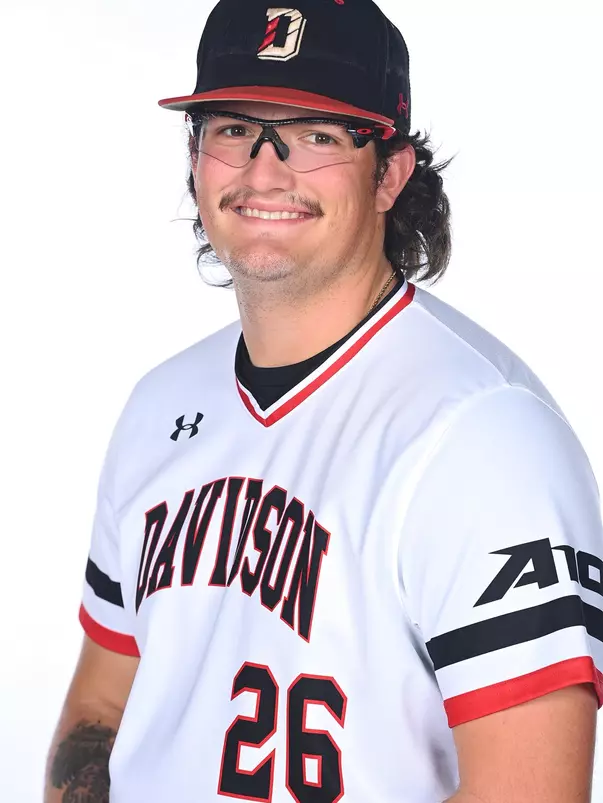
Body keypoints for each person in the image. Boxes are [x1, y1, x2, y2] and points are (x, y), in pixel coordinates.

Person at [45, 1, 602, 801]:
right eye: (234, 128)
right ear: (196, 156)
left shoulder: (484, 434)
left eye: (315, 135)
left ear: (391, 173)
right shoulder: (158, 406)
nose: (264, 171)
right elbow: (102, 701)